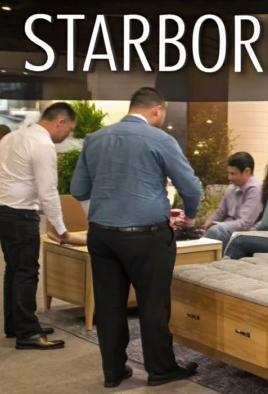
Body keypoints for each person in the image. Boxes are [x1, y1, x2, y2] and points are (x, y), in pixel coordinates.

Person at [70, 87, 203, 388]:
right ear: (157, 110)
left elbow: (78, 189)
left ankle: (113, 372)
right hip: (147, 237)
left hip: (101, 235)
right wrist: (192, 217)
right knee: (153, 303)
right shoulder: (160, 139)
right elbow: (191, 186)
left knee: (109, 304)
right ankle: (161, 370)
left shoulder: (95, 139)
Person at [0, 102, 78, 350]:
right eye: (69, 129)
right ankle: (28, 333)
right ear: (60, 121)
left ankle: (16, 325)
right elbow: (48, 191)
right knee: (27, 272)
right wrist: (60, 228)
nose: (67, 135)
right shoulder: (42, 144)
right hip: (19, 214)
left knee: (14, 269)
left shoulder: (13, 136)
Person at [203, 152, 264, 250]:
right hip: (226, 230)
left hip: (242, 234)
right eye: (229, 173)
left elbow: (244, 224)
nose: (229, 178)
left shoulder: (256, 190)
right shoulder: (232, 188)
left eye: (233, 173)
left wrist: (220, 225)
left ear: (247, 171)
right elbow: (220, 212)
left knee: (217, 231)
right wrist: (207, 224)